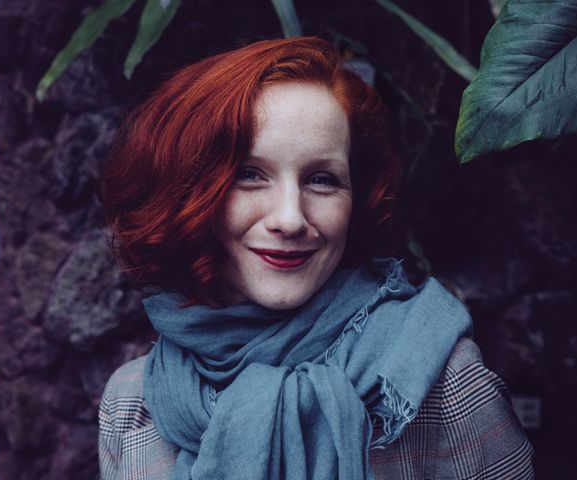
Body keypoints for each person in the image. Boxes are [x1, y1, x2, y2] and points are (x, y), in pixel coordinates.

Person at [97, 37, 534, 480]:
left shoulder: (439, 378)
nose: (290, 219)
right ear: (184, 193)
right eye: (249, 175)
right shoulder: (131, 403)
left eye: (322, 180)